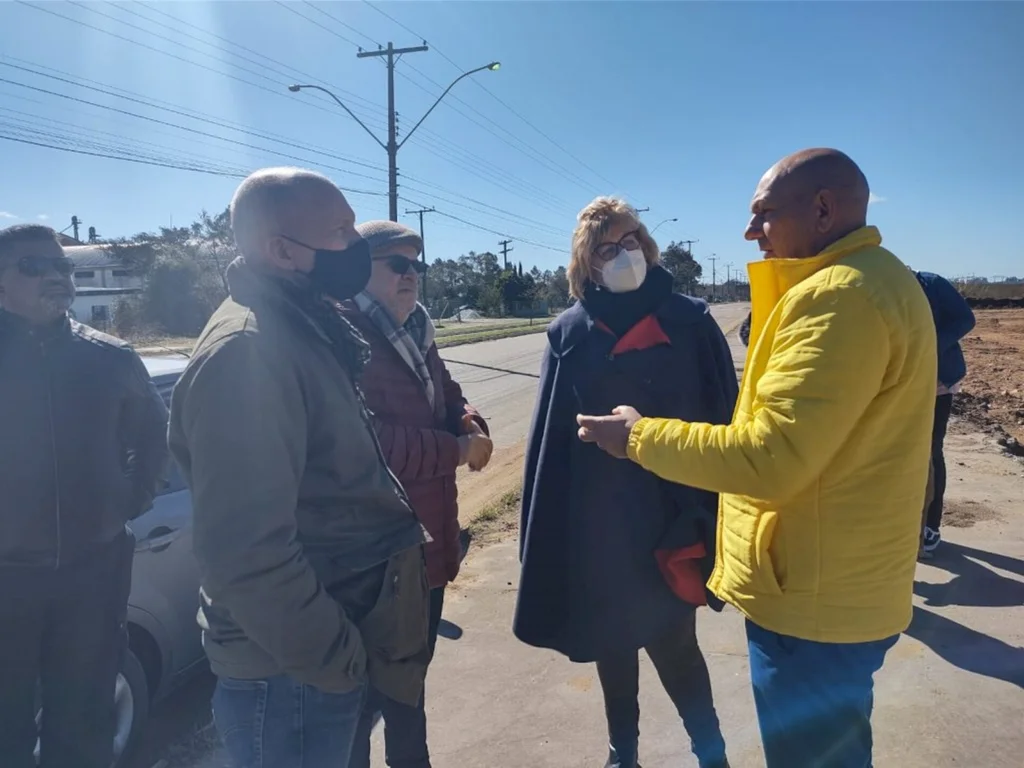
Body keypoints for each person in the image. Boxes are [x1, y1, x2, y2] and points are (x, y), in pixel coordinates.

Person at [577, 150, 937, 768]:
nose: (750, 232)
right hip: (836, 579)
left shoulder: (837, 299)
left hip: (814, 600)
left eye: (763, 215)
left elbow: (770, 454)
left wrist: (639, 436)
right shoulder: (870, 281)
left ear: (822, 209)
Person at [168, 168, 430, 768]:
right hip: (290, 674)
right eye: (340, 231)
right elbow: (246, 551)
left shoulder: (304, 324)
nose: (355, 245)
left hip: (315, 659)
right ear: (282, 250)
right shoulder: (248, 350)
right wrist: (337, 660)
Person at [514, 198, 736, 768]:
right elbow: (549, 448)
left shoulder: (691, 322)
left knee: (676, 646)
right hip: (601, 526)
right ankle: (624, 753)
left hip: (675, 516)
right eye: (609, 249)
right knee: (611, 644)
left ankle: (711, 753)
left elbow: (726, 417)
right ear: (588, 264)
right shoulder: (569, 334)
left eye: (631, 239)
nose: (625, 254)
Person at [0, 224, 168, 768]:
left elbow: (154, 436)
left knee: (84, 723)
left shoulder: (112, 358)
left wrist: (128, 501)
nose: (56, 277)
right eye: (34, 266)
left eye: (63, 267)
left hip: (92, 575)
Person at [341, 220, 493, 768]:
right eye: (397, 265)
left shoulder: (417, 327)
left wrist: (470, 422)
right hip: (377, 556)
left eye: (417, 266)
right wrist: (456, 450)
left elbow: (447, 392)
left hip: (427, 546)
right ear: (361, 269)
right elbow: (369, 443)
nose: (411, 277)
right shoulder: (345, 332)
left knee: (412, 688)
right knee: (361, 703)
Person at [915, 270, 976, 557]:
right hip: (897, 383)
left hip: (937, 382)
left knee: (930, 451)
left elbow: (965, 319)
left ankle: (931, 526)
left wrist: (930, 343)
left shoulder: (932, 284)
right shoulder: (875, 292)